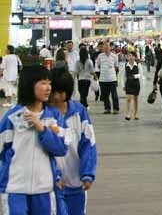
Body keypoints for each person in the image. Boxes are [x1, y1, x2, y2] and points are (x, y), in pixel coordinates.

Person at [0, 65, 68, 214]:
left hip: (44, 188)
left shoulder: (54, 117)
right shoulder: (11, 117)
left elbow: (61, 148)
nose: (48, 88)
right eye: (43, 83)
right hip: (14, 189)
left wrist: (42, 129)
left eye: (49, 83)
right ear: (29, 85)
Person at [49, 70, 97, 215]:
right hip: (51, 185)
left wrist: (87, 173)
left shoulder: (79, 112)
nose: (56, 96)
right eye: (54, 91)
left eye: (61, 92)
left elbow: (88, 145)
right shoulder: (44, 114)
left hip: (76, 183)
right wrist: (54, 175)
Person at [95, 41, 120, 114]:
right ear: (103, 48)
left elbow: (116, 66)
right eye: (104, 47)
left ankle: (116, 109)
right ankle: (107, 108)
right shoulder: (100, 56)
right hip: (103, 79)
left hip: (112, 79)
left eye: (107, 47)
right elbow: (98, 65)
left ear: (110, 48)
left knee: (114, 95)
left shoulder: (114, 56)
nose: (106, 48)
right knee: (105, 95)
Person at [123, 52, 142, 121]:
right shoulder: (125, 65)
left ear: (135, 57)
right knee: (128, 99)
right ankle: (128, 114)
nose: (130, 57)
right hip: (128, 84)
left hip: (136, 84)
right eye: (129, 56)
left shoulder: (138, 65)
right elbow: (124, 76)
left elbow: (141, 74)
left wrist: (134, 76)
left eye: (132, 56)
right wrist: (123, 85)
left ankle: (136, 113)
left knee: (135, 99)